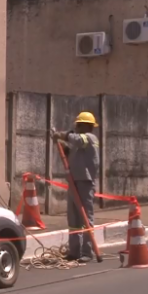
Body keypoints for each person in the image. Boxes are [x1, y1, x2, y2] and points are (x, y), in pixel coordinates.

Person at [51, 111, 100, 263]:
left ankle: (87, 251)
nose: (76, 128)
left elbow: (77, 140)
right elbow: (70, 151)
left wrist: (61, 135)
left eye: (79, 125)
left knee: (86, 217)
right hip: (74, 182)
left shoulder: (90, 138)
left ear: (86, 126)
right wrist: (59, 143)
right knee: (73, 219)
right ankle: (75, 251)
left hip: (85, 182)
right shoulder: (79, 144)